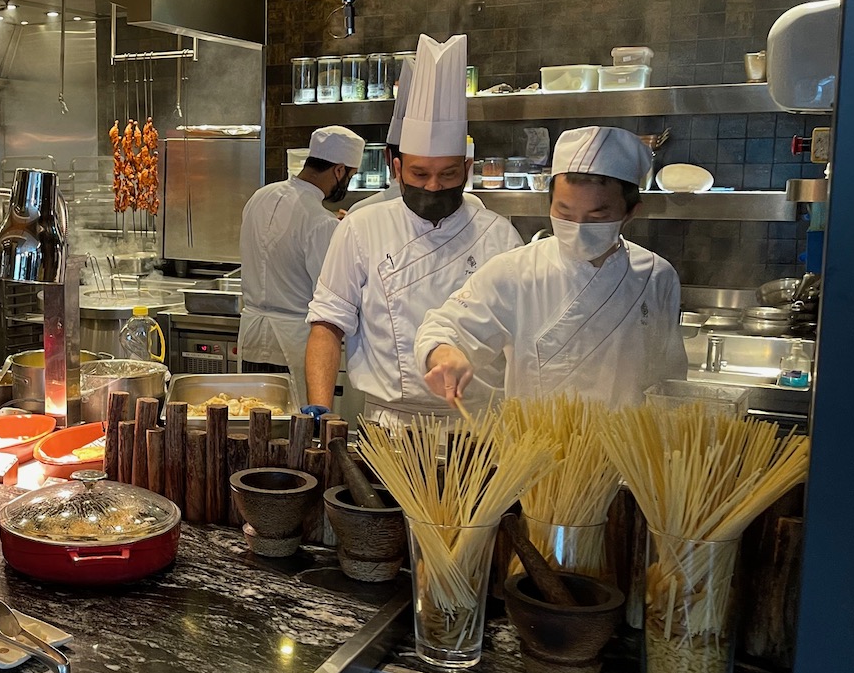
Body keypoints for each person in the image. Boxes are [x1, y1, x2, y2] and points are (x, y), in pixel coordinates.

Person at [304, 34, 521, 423]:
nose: (434, 186)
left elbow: (520, 339)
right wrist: (320, 407)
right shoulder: (360, 228)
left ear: (467, 170)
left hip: (475, 427)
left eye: (448, 173)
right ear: (397, 168)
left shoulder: (499, 236)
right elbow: (327, 323)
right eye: (420, 173)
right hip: (388, 425)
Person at [418, 125, 688, 408]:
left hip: (625, 450)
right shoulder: (515, 271)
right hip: (536, 448)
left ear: (631, 212)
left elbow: (668, 384)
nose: (579, 228)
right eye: (564, 212)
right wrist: (446, 356)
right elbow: (442, 326)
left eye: (597, 216)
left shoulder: (656, 277)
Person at [238, 125, 361, 406]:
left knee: (250, 414)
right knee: (289, 428)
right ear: (339, 171)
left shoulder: (260, 196)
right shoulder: (320, 222)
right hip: (293, 342)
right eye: (350, 176)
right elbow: (329, 291)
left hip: (253, 333)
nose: (346, 184)